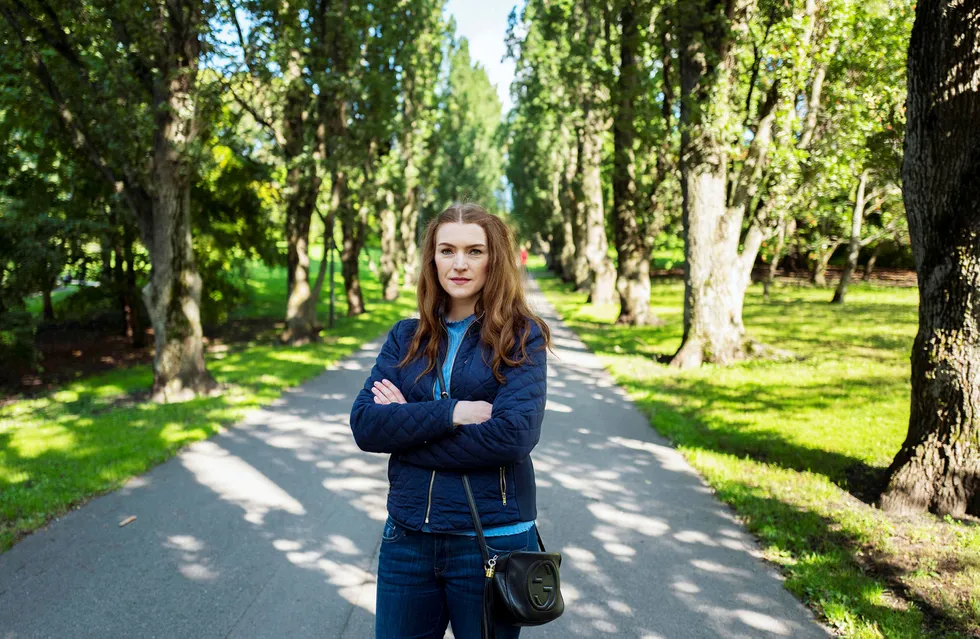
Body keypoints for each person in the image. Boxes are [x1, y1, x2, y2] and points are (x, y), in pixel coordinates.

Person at [350, 202, 552, 639]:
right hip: (408, 539)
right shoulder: (406, 337)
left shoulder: (521, 336)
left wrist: (405, 426)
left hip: (491, 542)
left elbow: (512, 436)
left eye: (474, 251)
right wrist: (453, 413)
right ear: (432, 258)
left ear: (493, 259)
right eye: (447, 250)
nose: (459, 264)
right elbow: (366, 424)